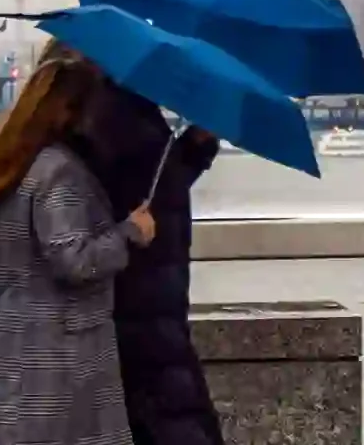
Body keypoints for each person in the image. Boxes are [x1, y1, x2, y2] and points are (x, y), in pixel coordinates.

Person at [0, 46, 158, 445]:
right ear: (73, 113)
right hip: (62, 366)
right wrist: (130, 232)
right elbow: (73, 260)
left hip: (9, 360)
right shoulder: (60, 173)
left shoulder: (8, 170)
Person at [66, 60, 226, 445]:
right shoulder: (113, 113)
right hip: (140, 312)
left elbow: (153, 191)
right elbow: (132, 198)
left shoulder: (127, 107)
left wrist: (195, 145)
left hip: (153, 308)